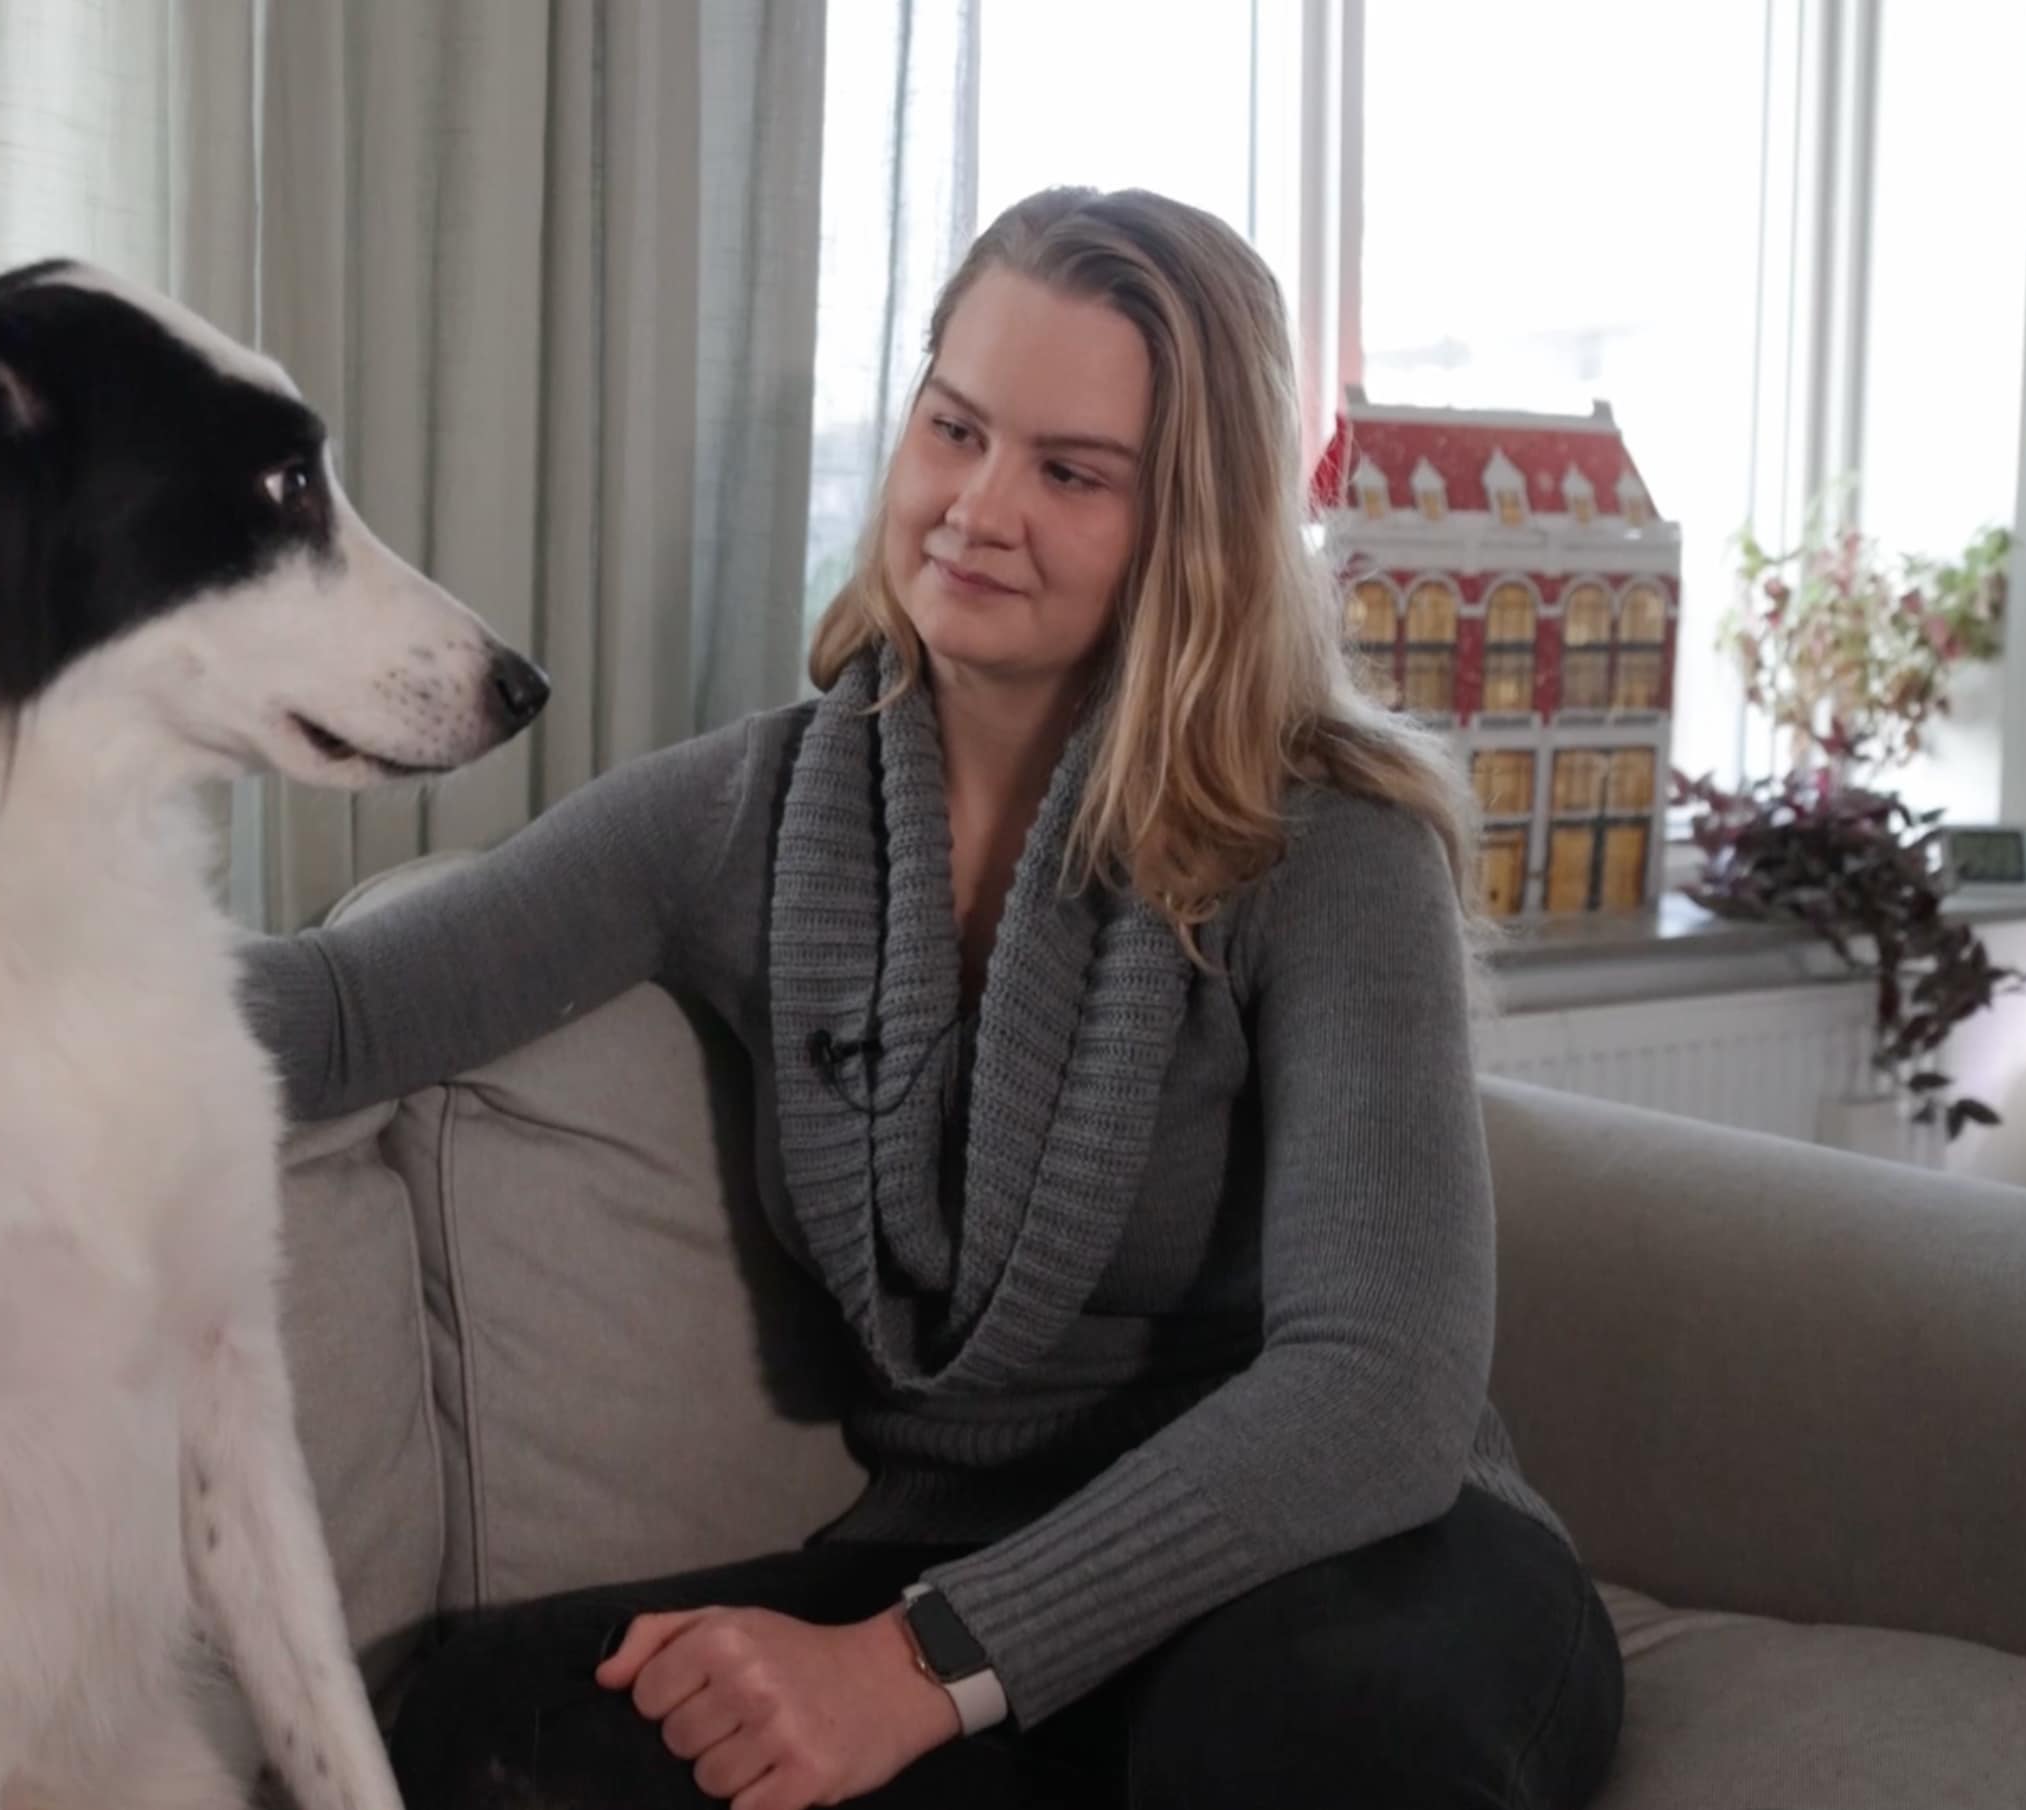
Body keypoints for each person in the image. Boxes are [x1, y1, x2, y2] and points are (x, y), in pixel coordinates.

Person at [236, 186, 1625, 1810]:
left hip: (1359, 1570)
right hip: (966, 1558)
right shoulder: (743, 810)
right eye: (953, 427)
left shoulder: (1331, 843)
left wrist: (909, 1666)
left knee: (1282, 1758)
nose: (975, 504)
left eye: (1070, 470)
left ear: (1193, 522)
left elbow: (1379, 1392)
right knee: (494, 1729)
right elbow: (337, 1011)